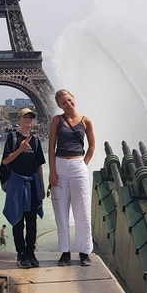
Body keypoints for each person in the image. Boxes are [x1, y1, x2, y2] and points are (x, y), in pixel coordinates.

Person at [48, 89, 95, 266]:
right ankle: (65, 252)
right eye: (63, 103)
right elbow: (51, 146)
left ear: (73, 99)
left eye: (69, 100)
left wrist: (84, 164)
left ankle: (84, 252)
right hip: (59, 166)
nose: (67, 104)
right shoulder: (57, 120)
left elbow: (92, 146)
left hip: (78, 166)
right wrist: (52, 172)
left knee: (82, 210)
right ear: (59, 106)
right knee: (60, 211)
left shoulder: (86, 121)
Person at [1, 107, 46, 268]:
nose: (28, 120)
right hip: (17, 184)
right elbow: (5, 161)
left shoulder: (36, 140)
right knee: (18, 220)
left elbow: (39, 165)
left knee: (32, 221)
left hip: (32, 184)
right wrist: (20, 149)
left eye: (30, 117)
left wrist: (41, 185)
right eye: (25, 117)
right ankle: (21, 254)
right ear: (19, 120)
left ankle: (30, 251)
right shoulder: (12, 138)